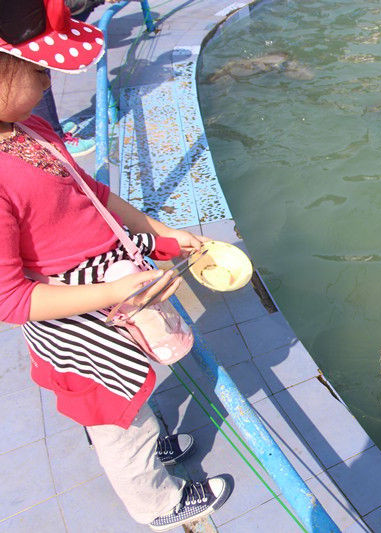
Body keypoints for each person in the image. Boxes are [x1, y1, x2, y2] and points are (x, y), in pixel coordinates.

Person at [0, 1, 231, 530]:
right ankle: (158, 503)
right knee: (115, 422)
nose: (48, 80)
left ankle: (146, 438)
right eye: (36, 71)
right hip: (77, 322)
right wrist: (113, 296)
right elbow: (11, 300)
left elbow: (90, 191)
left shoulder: (29, 126)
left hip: (107, 289)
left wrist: (160, 232)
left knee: (133, 390)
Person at [30, 0, 111, 156]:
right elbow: (57, 14)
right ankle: (55, 141)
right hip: (26, 27)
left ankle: (48, 128)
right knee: (37, 78)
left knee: (37, 77)